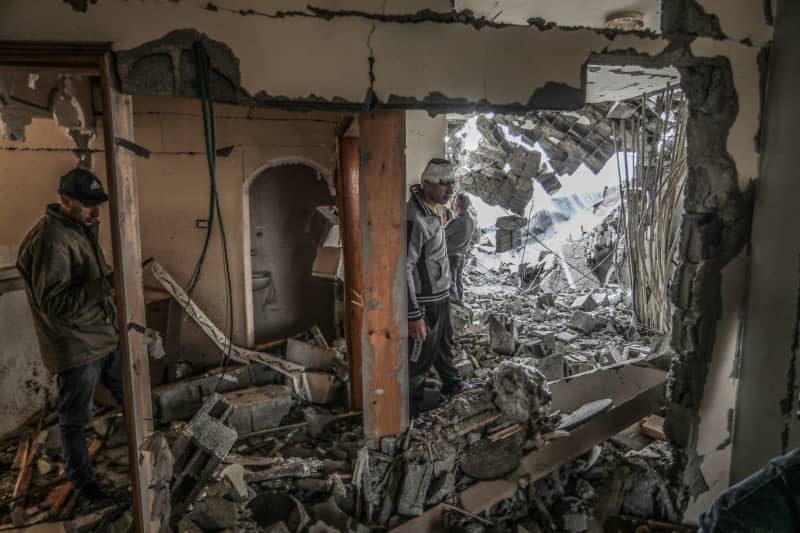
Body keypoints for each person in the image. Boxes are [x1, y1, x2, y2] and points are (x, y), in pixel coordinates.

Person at [16, 167, 122, 501]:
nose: (96, 212)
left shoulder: (80, 225)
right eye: (88, 205)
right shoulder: (52, 240)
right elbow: (56, 304)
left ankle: (145, 453)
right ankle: (85, 486)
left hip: (102, 336)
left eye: (97, 204)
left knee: (131, 398)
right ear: (64, 201)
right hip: (77, 348)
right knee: (75, 420)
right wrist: (107, 285)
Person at [407, 159, 471, 416]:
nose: (449, 190)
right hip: (425, 301)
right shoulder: (415, 218)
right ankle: (410, 408)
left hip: (441, 296)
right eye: (444, 184)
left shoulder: (433, 210)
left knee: (444, 345)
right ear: (427, 184)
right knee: (420, 357)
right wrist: (413, 315)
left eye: (452, 184)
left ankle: (452, 385)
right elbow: (405, 267)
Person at [445, 193, 475, 304]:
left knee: (451, 281)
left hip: (452, 255)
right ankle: (460, 302)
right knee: (458, 280)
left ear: (458, 206)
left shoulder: (458, 221)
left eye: (455, 203)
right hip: (461, 255)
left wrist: (444, 224)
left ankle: (455, 305)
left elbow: (443, 233)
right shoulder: (470, 219)